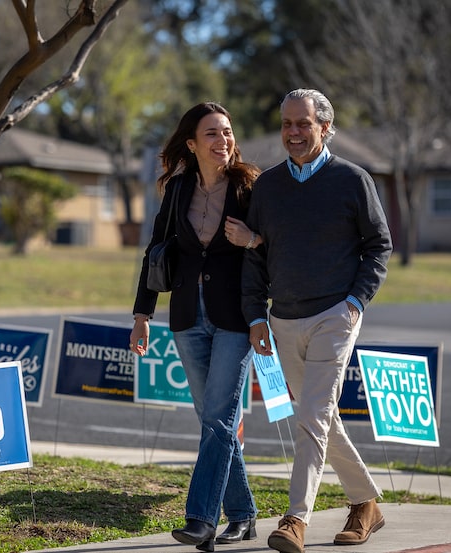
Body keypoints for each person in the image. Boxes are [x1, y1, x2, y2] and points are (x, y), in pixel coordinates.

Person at [242, 89, 393, 552]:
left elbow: (378, 245)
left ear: (325, 127)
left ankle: (295, 520)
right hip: (282, 318)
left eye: (303, 124)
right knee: (323, 419)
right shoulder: (266, 187)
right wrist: (256, 318)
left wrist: (354, 303)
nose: (293, 132)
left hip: (335, 314)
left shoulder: (352, 179)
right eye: (287, 124)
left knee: (310, 417)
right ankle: (365, 502)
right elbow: (255, 256)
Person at [130, 102, 263, 552]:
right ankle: (243, 515)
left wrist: (254, 241)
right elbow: (156, 251)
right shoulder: (179, 188)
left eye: (227, 132)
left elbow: (271, 248)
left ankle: (201, 519)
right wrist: (142, 316)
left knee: (220, 419)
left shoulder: (249, 187)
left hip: (236, 318)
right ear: (192, 143)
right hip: (187, 317)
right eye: (212, 133)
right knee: (212, 420)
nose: (222, 140)